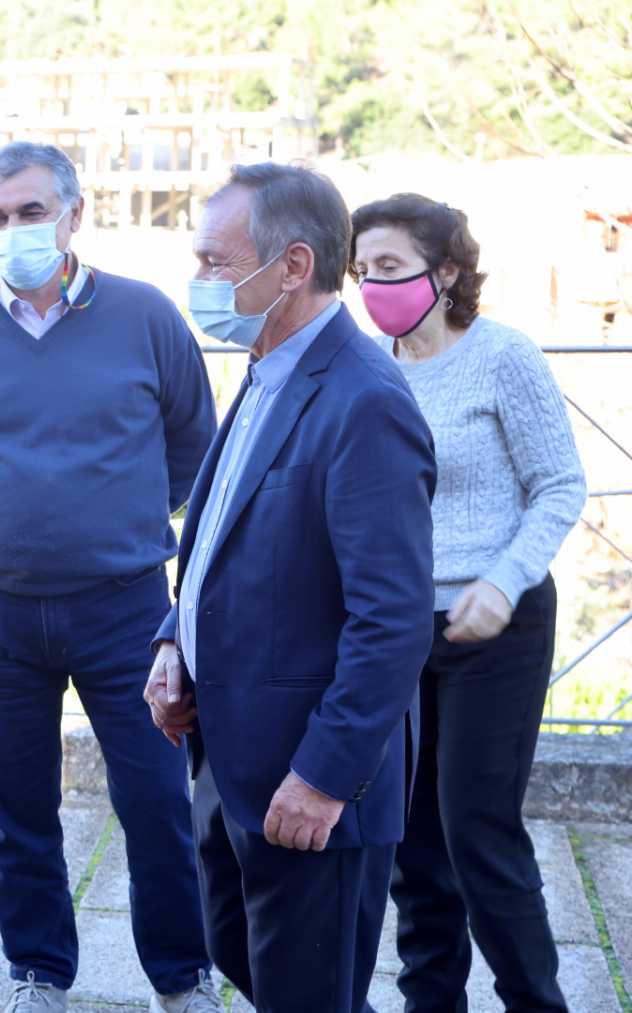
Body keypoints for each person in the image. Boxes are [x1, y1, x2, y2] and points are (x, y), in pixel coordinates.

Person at [144, 163, 436, 1012]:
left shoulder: (362, 400)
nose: (198, 283)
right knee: (259, 965)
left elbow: (391, 619)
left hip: (305, 777)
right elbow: (230, 540)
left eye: (214, 262)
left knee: (310, 993)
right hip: (229, 754)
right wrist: (174, 638)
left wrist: (324, 776)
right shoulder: (269, 369)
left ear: (294, 265)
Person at [0, 142, 219, 1013]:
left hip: (127, 608)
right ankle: (39, 974)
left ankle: (183, 978)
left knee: (157, 806)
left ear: (74, 214)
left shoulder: (146, 315)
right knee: (14, 811)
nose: (15, 230)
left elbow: (194, 451)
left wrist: (122, 522)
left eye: (31, 212)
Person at [352, 193, 584, 1012]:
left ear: (445, 269)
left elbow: (559, 486)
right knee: (413, 846)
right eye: (363, 269)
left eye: (391, 267)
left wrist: (502, 579)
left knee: (477, 833)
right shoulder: (369, 366)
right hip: (397, 631)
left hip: (496, 626)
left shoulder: (502, 356)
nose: (374, 285)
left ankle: (534, 999)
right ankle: (432, 1002)